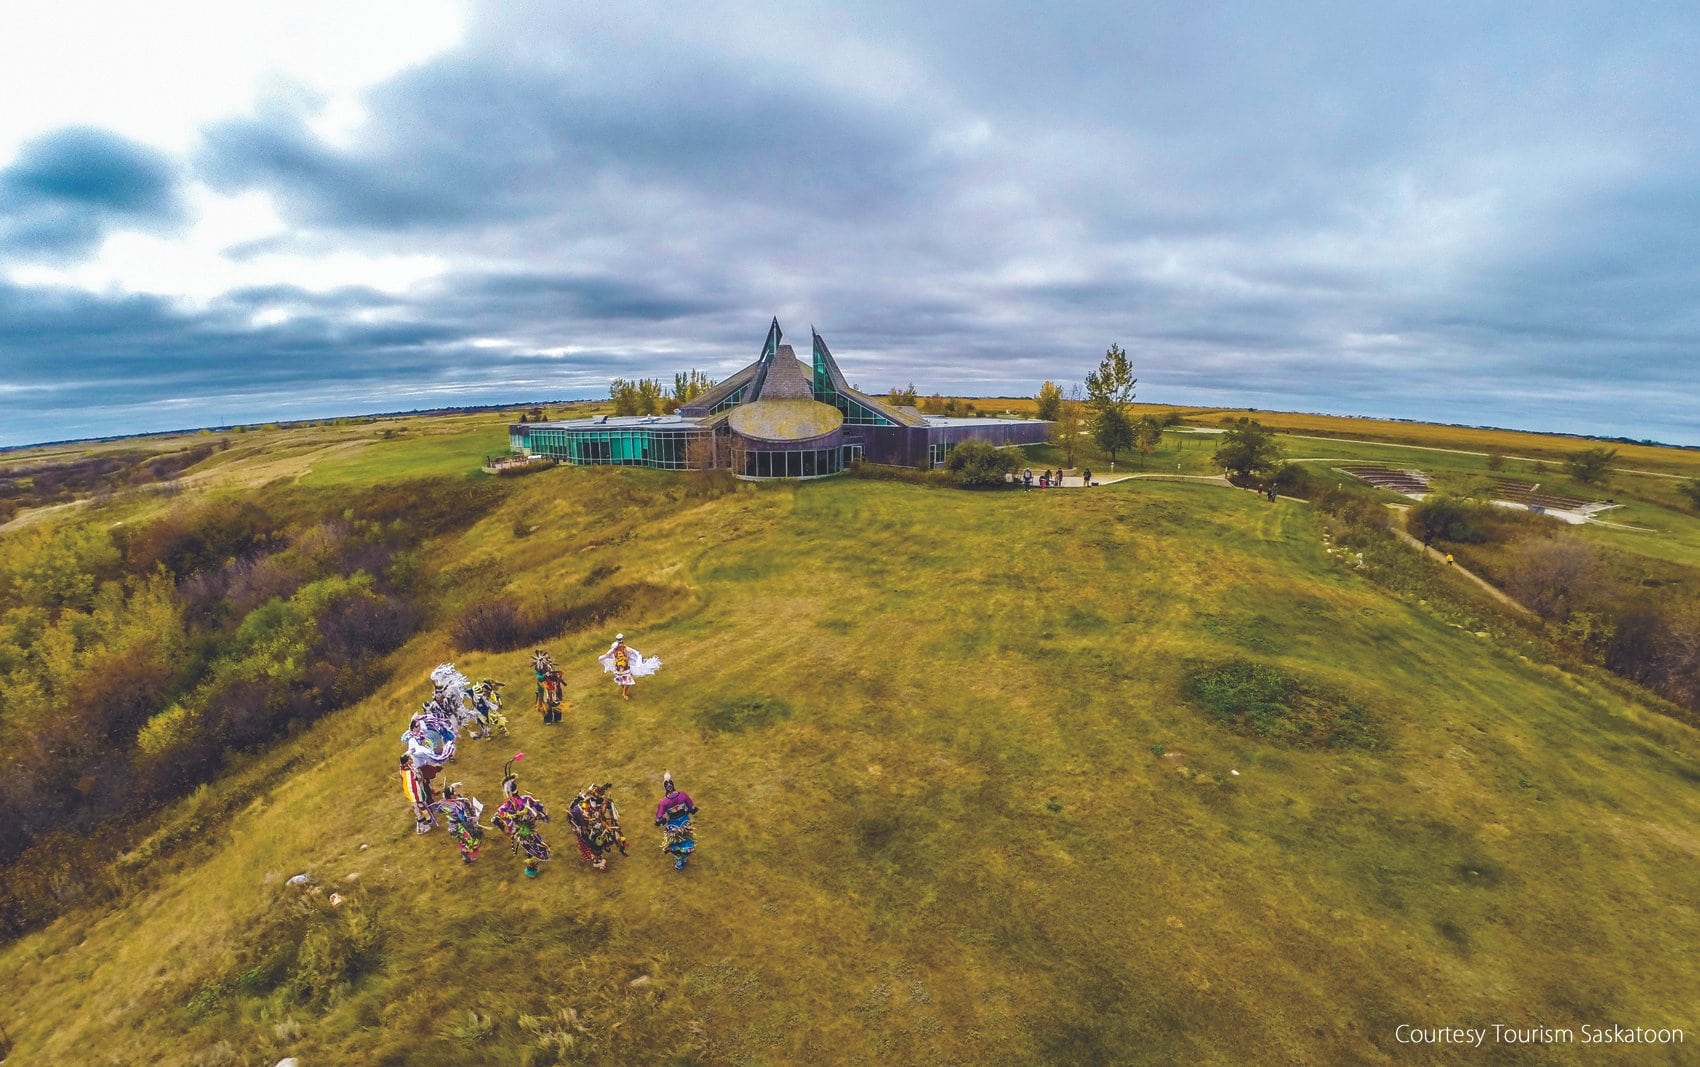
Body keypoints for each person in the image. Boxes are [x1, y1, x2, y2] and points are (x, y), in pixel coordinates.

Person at [492, 754, 552, 877]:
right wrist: (544, 817)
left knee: (531, 846)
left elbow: (495, 818)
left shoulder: (505, 807)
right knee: (532, 845)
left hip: (523, 831)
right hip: (524, 831)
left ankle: (531, 864)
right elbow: (539, 808)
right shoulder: (526, 800)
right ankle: (531, 865)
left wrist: (503, 827)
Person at [655, 771, 698, 871]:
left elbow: (659, 817)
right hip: (685, 824)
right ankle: (683, 858)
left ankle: (679, 860)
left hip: (673, 826)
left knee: (674, 844)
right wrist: (692, 810)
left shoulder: (664, 802)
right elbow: (691, 807)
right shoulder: (683, 795)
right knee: (687, 841)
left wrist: (660, 820)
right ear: (673, 786)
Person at [432, 782, 485, 863]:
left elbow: (437, 809)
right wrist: (475, 818)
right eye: (454, 793)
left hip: (452, 826)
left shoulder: (442, 803)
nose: (456, 793)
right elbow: (464, 819)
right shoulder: (458, 805)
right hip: (461, 827)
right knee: (473, 841)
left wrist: (453, 786)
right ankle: (466, 855)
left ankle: (465, 852)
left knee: (463, 839)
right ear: (451, 796)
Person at [598, 634, 660, 701]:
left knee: (625, 681)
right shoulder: (619, 649)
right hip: (620, 667)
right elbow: (607, 655)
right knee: (626, 682)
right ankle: (624, 694)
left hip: (624, 667)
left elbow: (632, 653)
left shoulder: (622, 648)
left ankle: (624, 692)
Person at [399, 754, 436, 834]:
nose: (412, 759)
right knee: (419, 809)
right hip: (415, 794)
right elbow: (412, 785)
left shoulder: (408, 768)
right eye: (410, 759)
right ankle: (425, 825)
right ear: (406, 762)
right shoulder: (408, 772)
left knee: (421, 808)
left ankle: (427, 824)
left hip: (417, 794)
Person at [533, 650, 566, 725]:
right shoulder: (539, 672)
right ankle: (548, 720)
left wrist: (556, 676)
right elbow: (539, 678)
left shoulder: (551, 667)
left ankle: (558, 718)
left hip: (553, 688)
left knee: (556, 703)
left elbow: (555, 676)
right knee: (547, 705)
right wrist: (545, 675)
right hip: (545, 691)